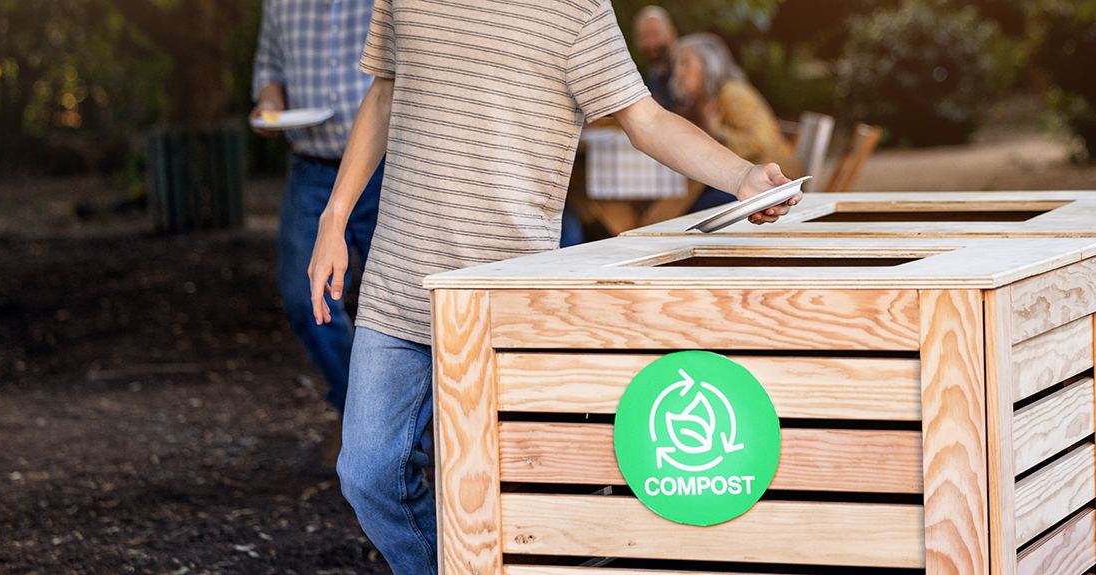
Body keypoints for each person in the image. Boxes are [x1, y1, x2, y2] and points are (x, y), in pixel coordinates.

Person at [307, 1, 796, 573]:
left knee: (511, 485)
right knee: (367, 476)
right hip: (400, 279)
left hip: (506, 294)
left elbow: (644, 119)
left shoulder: (577, 8)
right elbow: (385, 93)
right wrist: (333, 217)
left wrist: (741, 176)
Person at [249, 0, 384, 457]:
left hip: (387, 168)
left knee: (404, 305)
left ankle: (392, 428)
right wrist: (269, 105)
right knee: (304, 298)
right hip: (312, 171)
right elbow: (269, 68)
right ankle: (368, 418)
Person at [670, 33, 803, 213]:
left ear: (709, 65)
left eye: (685, 63)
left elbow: (759, 142)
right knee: (684, 200)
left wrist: (717, 130)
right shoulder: (708, 101)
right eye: (677, 64)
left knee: (692, 208)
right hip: (748, 178)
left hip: (775, 183)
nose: (678, 72)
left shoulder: (733, 93)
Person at [634, 5, 679, 110]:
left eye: (655, 34)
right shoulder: (648, 78)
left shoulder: (686, 70)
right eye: (644, 36)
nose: (651, 43)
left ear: (671, 33)